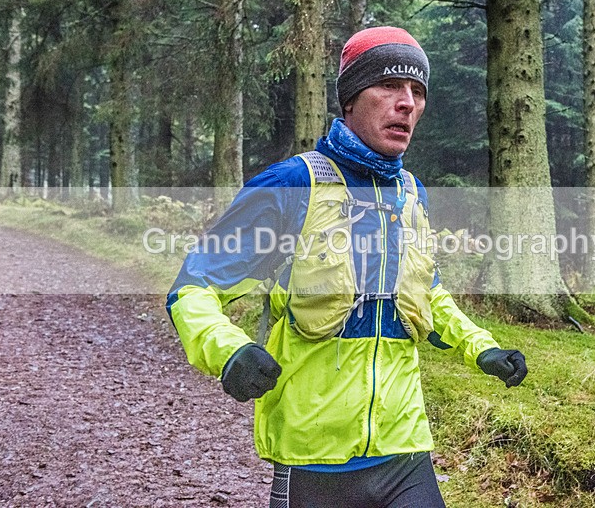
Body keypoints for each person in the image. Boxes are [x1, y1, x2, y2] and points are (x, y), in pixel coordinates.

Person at [166, 26, 527, 508]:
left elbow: (426, 294)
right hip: (314, 455)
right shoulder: (293, 185)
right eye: (390, 86)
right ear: (351, 99)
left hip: (404, 451)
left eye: (417, 92)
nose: (407, 103)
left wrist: (482, 348)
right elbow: (193, 288)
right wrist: (228, 350)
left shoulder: (410, 194)